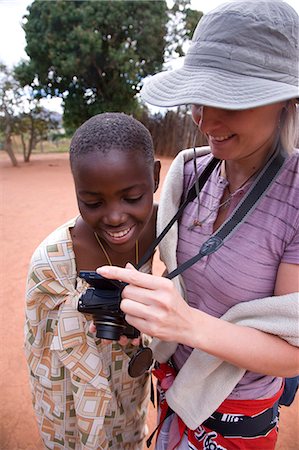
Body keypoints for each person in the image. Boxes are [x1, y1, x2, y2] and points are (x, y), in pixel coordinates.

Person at [95, 2, 299, 449]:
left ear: (287, 100)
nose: (205, 119)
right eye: (198, 98)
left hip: (235, 417)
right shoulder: (188, 172)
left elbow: (291, 354)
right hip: (171, 389)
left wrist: (186, 325)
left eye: (229, 99)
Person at [24, 112, 161, 449]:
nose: (115, 217)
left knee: (129, 432)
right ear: (76, 191)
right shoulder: (52, 263)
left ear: (155, 177)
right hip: (72, 399)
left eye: (131, 198)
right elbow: (42, 359)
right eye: (93, 202)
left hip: (129, 385)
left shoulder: (164, 229)